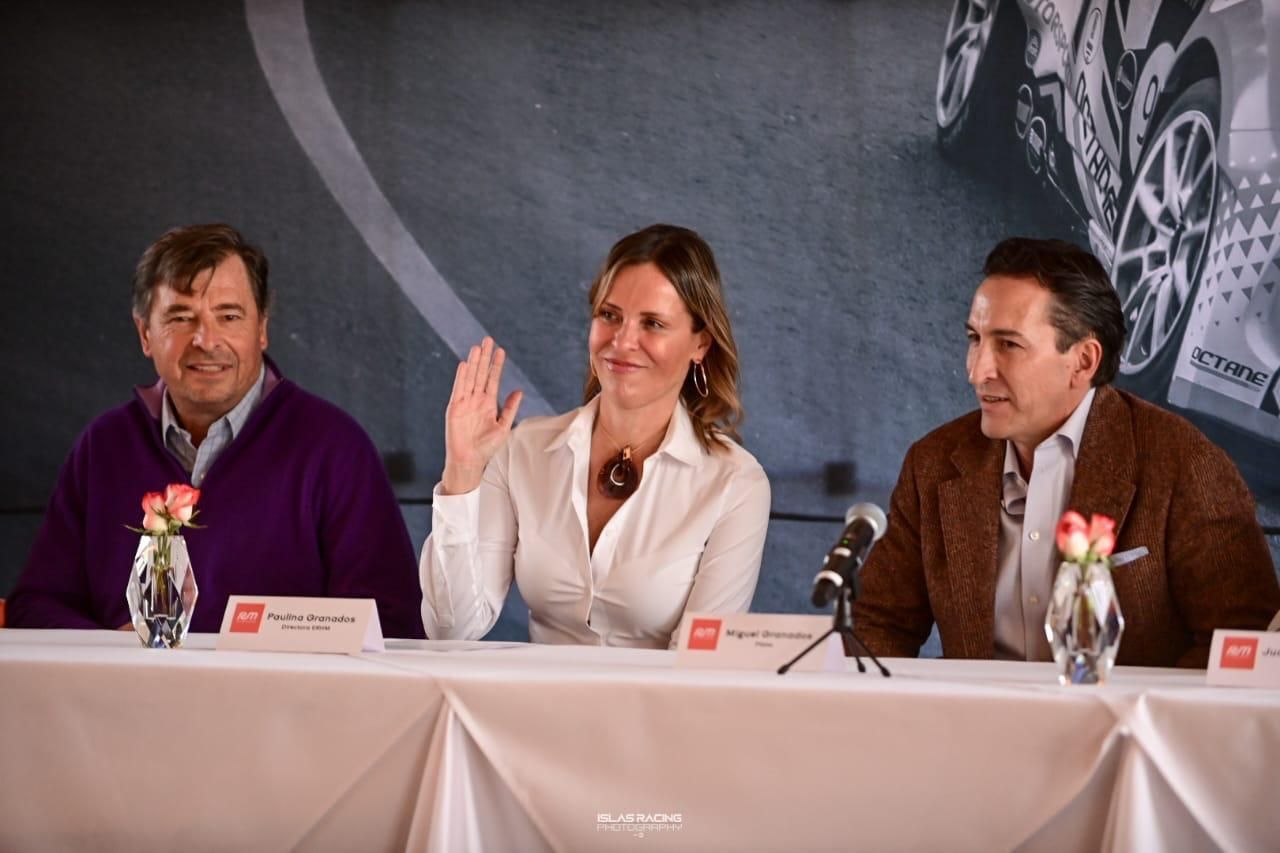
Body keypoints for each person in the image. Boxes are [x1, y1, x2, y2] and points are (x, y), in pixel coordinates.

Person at [852, 237, 1280, 668]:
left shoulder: (1185, 465)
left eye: (1009, 345)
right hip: (975, 731)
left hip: (1124, 733)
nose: (977, 370)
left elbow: (1240, 648)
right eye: (974, 339)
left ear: (1083, 360)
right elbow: (878, 624)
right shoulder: (932, 464)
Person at [8, 224, 426, 637]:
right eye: (180, 317)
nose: (206, 340)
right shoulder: (103, 449)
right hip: (130, 702)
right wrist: (115, 649)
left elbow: (390, 625)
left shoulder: (335, 449)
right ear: (145, 334)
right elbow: (36, 607)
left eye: (228, 316)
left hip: (282, 704)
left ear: (261, 328)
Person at [420, 224, 771, 647]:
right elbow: (450, 630)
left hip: (656, 713)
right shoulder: (522, 450)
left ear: (701, 344)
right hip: (530, 712)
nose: (622, 341)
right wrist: (461, 473)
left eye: (653, 324)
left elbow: (700, 665)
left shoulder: (736, 484)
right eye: (610, 315)